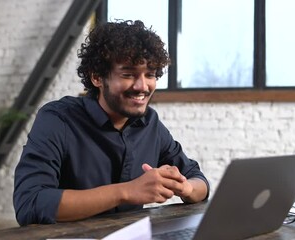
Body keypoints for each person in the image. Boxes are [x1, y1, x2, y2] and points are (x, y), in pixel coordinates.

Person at [13, 20, 209, 226]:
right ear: (97, 77)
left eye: (150, 74)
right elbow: (30, 204)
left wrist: (185, 188)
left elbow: (199, 180)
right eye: (128, 74)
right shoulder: (57, 119)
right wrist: (127, 191)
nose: (142, 86)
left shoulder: (150, 123)